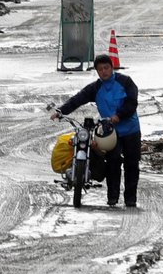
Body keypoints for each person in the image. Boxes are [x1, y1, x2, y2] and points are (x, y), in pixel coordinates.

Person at [51, 54, 141, 208]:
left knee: (131, 164)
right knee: (113, 163)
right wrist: (61, 111)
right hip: (110, 133)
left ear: (112, 68)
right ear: (97, 72)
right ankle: (112, 198)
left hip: (131, 129)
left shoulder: (125, 82)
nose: (104, 71)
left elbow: (132, 102)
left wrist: (119, 115)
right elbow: (78, 99)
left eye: (106, 68)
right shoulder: (96, 88)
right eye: (100, 69)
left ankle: (130, 199)